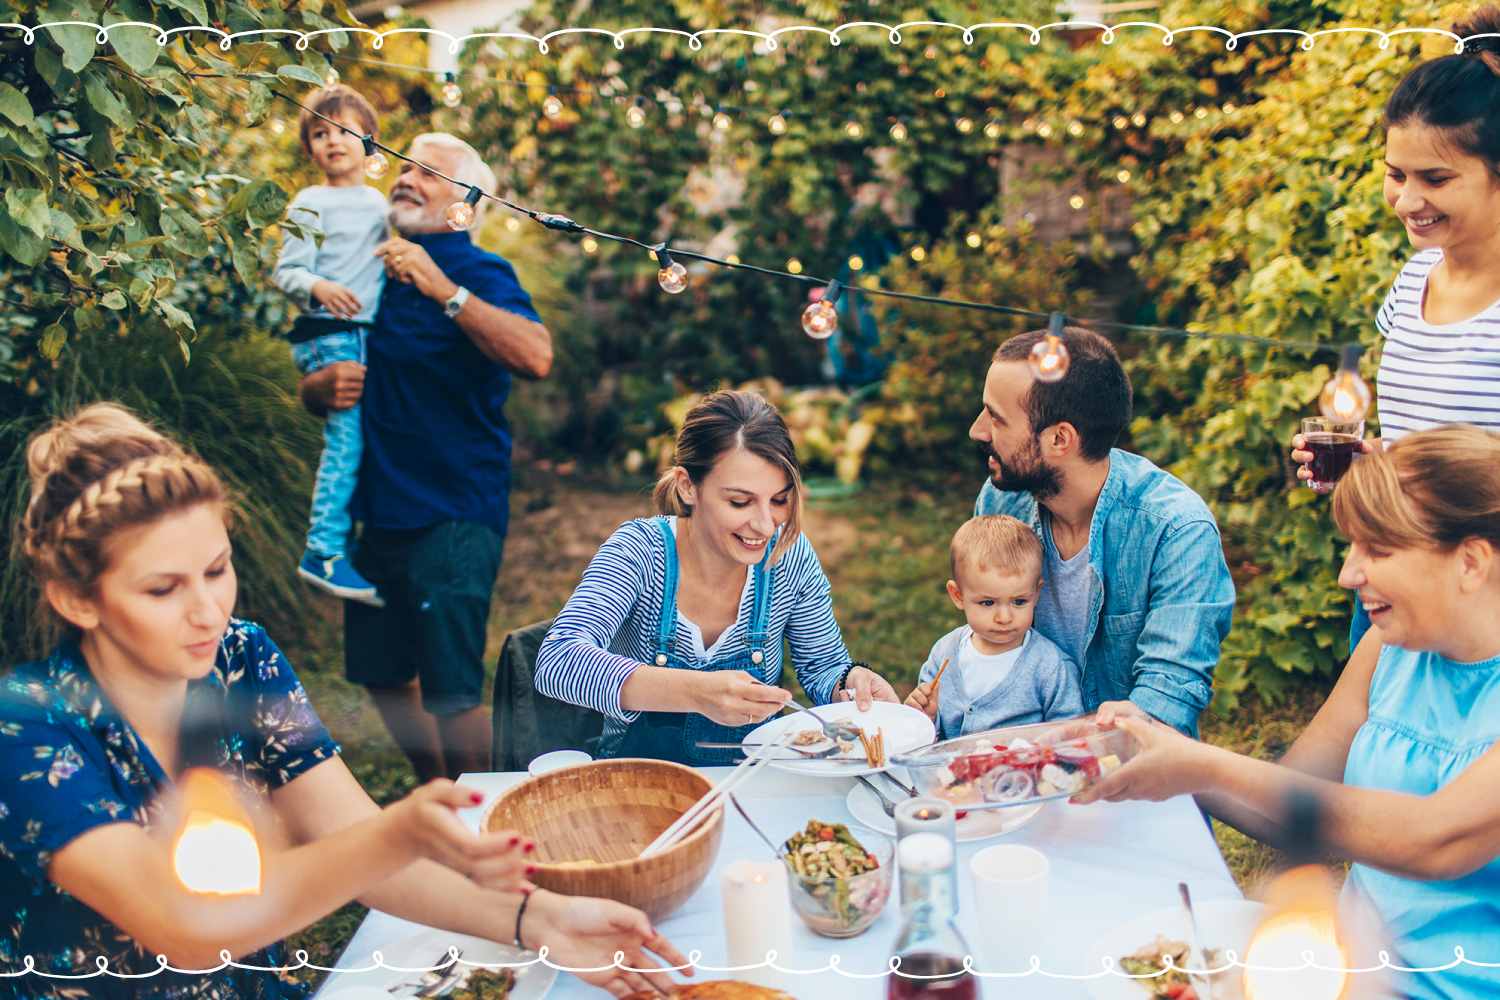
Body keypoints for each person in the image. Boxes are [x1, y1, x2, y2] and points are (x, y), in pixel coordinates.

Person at [0, 404, 688, 1000]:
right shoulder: (26, 727)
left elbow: (344, 836)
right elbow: (183, 926)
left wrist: (536, 920)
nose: (208, 611)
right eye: (163, 589)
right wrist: (399, 832)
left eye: (217, 570)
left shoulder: (240, 657)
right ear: (75, 598)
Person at [1077, 424, 1500, 1000]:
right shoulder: (1388, 649)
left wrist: (1203, 767)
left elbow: (1436, 839)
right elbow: (1292, 802)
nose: (1349, 574)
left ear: (1471, 562)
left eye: (1377, 549)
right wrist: (1156, 747)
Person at [299, 133, 553, 783]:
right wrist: (315, 390)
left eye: (429, 174)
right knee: (383, 675)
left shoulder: (480, 272)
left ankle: (483, 813)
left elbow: (535, 355)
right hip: (375, 510)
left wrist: (444, 288)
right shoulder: (363, 267)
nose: (406, 178)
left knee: (451, 690)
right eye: (404, 167)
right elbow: (321, 372)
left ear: (465, 205)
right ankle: (438, 794)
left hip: (452, 509)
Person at [534, 390, 899, 765]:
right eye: (740, 502)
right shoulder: (640, 551)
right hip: (638, 783)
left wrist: (850, 683)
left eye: (779, 500)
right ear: (688, 486)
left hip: (752, 783)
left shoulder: (789, 557)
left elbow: (823, 667)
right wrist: (695, 692)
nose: (765, 525)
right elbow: (558, 660)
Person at [1291, 8, 1500, 651]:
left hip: (1480, 597)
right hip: (1391, 577)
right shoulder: (1413, 280)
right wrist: (1376, 463)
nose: (1408, 200)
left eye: (1436, 179)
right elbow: (1423, 440)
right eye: (1396, 173)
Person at [971, 325, 1235, 736]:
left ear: (1060, 438)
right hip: (1012, 768)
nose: (978, 431)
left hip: (1126, 776)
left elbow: (1162, 709)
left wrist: (1028, 743)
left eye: (996, 418)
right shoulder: (1001, 502)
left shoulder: (1177, 532)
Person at [272, 85, 389, 604]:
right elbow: (286, 270)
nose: (333, 141)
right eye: (320, 133)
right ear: (309, 150)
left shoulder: (380, 204)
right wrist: (316, 285)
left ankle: (348, 544)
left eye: (343, 131)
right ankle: (321, 551)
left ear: (370, 142)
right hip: (328, 333)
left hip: (361, 335)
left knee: (360, 441)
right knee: (345, 444)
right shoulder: (310, 201)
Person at [905, 515, 1083, 738]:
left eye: (1019, 602)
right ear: (958, 596)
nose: (1004, 617)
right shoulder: (944, 654)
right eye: (988, 603)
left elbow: (1070, 736)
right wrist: (926, 718)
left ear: (1036, 594)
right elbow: (928, 739)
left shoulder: (1050, 667)